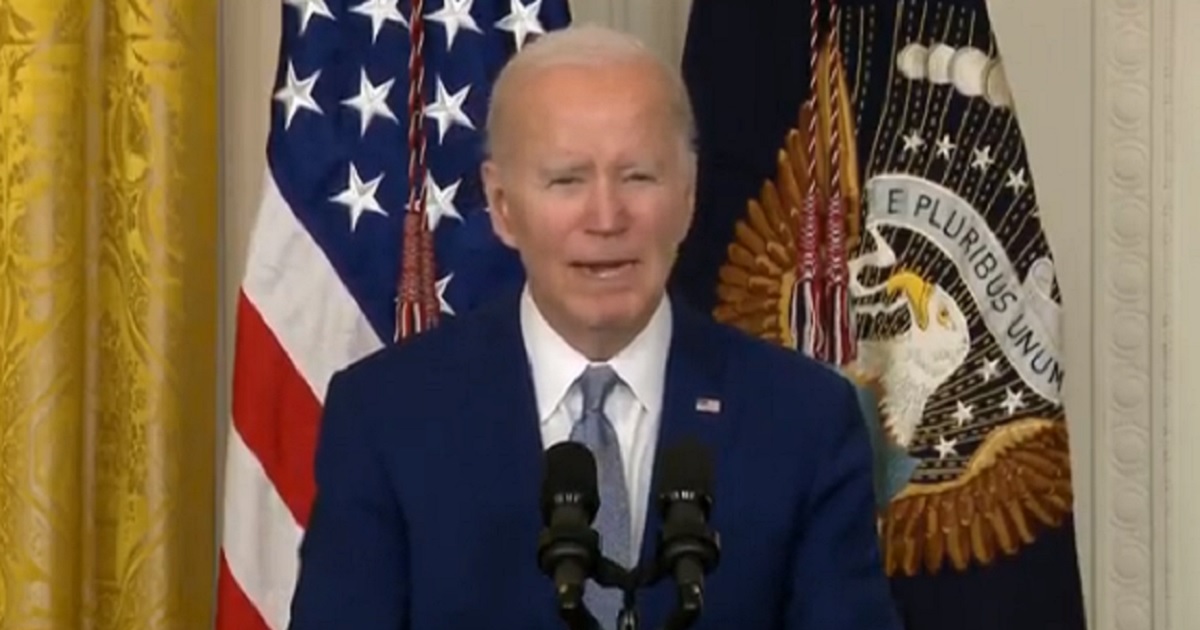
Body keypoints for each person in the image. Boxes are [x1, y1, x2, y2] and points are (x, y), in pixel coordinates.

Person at [288, 24, 901, 630]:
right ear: (502, 206)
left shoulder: (804, 418)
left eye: (638, 176)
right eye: (567, 180)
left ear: (688, 198)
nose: (606, 217)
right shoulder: (386, 416)